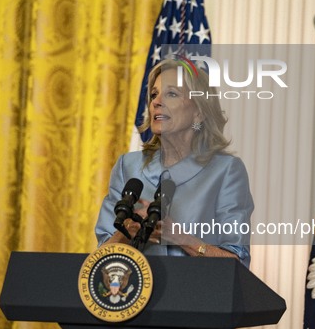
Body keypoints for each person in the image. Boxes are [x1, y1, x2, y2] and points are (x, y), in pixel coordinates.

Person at [94, 57, 254, 267]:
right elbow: (99, 259)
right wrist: (127, 232)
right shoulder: (128, 167)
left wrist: (181, 239)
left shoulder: (226, 171)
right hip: (133, 293)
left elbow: (237, 262)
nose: (156, 102)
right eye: (154, 95)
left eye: (171, 94)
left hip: (196, 295)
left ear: (199, 111)